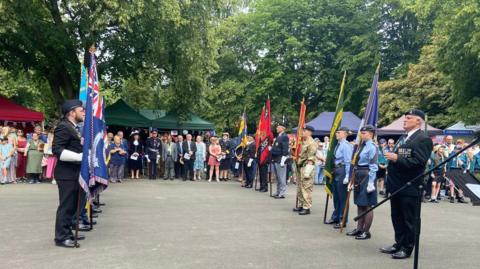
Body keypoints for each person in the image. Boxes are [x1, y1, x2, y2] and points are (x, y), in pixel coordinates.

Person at [380, 109, 433, 259]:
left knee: (409, 219)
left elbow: (419, 162)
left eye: (408, 118)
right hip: (396, 185)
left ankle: (407, 247)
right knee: (396, 217)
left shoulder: (423, 139)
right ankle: (399, 243)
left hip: (410, 186)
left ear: (418, 121)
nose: (404, 120)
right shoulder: (403, 137)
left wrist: (397, 158)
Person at [52, 99, 85, 248]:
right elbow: (57, 150)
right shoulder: (63, 127)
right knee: (66, 207)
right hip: (66, 174)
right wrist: (79, 157)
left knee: (71, 206)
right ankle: (61, 237)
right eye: (81, 110)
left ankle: (68, 233)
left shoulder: (73, 127)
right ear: (72, 113)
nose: (83, 112)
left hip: (73, 173)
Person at [346, 125, 378, 240]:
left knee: (368, 204)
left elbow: (373, 166)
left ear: (371, 134)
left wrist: (370, 183)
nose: (361, 135)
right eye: (361, 133)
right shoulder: (361, 146)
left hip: (367, 175)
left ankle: (366, 231)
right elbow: (355, 163)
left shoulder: (372, 147)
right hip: (358, 173)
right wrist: (351, 179)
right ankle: (359, 228)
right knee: (360, 203)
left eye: (364, 133)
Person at [325, 127, 353, 229]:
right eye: (336, 132)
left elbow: (348, 161)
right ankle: (336, 216)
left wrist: (347, 176)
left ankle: (342, 219)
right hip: (336, 170)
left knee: (342, 197)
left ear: (345, 134)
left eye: (339, 132)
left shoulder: (346, 146)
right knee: (336, 196)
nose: (336, 134)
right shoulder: (338, 145)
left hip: (342, 171)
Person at [292, 125, 317, 215]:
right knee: (300, 186)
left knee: (306, 187)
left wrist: (307, 171)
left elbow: (311, 158)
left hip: (306, 166)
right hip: (300, 166)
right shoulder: (303, 141)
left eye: (304, 131)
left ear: (310, 132)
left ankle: (307, 207)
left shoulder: (311, 143)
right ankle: (301, 204)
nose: (302, 132)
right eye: (302, 130)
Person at [271, 123, 290, 199]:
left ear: (283, 128)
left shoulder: (284, 136)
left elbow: (285, 149)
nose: (276, 128)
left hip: (280, 159)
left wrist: (283, 159)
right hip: (276, 158)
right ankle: (278, 191)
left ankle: (282, 193)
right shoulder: (279, 136)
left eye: (278, 127)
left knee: (282, 177)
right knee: (278, 177)